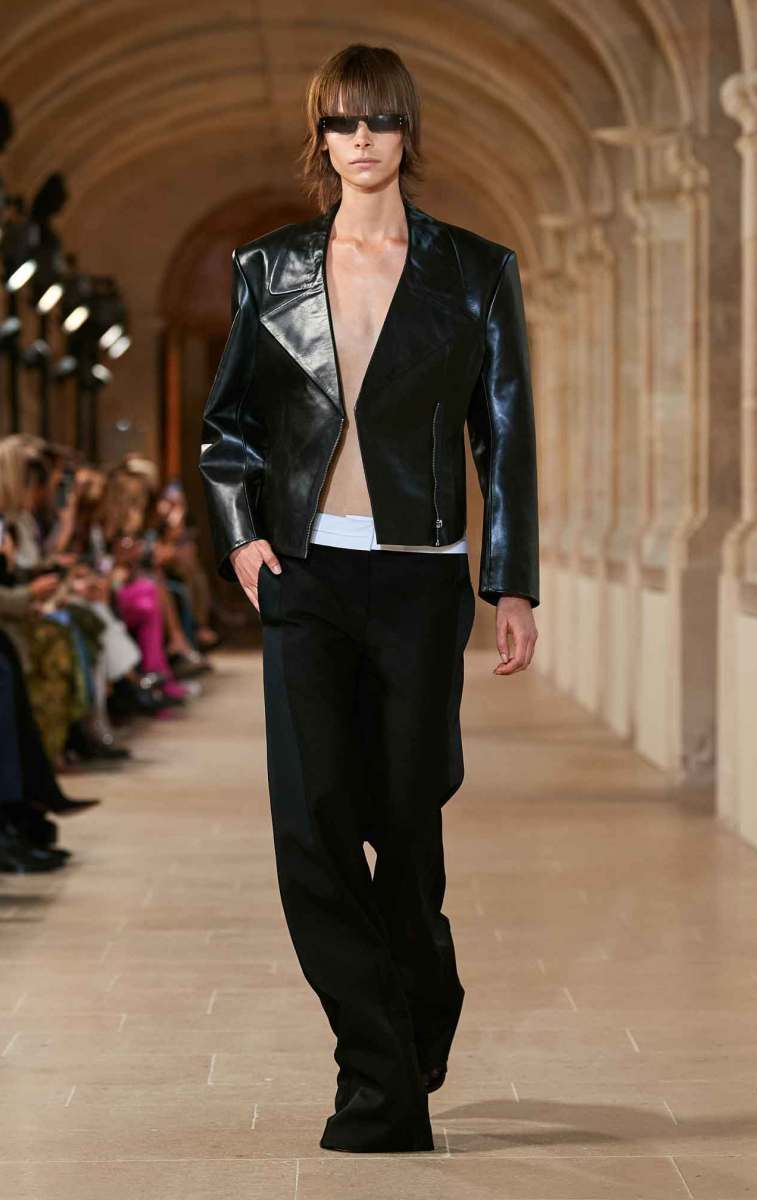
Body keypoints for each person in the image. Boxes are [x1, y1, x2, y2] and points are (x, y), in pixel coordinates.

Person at [199, 43, 539, 1154]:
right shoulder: (268, 267)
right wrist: (242, 536)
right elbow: (228, 425)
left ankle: (421, 995)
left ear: (405, 133)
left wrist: (510, 582)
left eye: (380, 120)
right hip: (304, 575)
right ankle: (379, 1074)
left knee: (405, 817)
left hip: (418, 577)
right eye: (343, 121)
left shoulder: (475, 270)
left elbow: (504, 435)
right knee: (311, 827)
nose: (361, 139)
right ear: (322, 137)